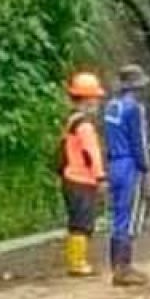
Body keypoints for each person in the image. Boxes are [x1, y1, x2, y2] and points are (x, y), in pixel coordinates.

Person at [103, 64, 150, 287]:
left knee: (118, 215)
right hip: (129, 165)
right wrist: (148, 172)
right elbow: (139, 143)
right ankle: (124, 267)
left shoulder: (111, 106)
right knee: (130, 217)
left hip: (114, 163)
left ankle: (116, 265)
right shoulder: (134, 109)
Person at [60, 72, 107, 278]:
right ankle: (77, 263)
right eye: (95, 98)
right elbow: (91, 153)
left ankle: (77, 261)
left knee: (76, 221)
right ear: (88, 99)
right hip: (81, 179)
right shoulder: (85, 125)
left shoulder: (72, 121)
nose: (97, 103)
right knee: (82, 222)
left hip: (70, 177)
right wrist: (100, 177)